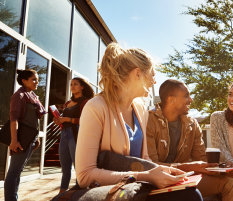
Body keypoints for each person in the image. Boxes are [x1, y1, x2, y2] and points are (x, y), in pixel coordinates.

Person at [75, 43, 202, 201]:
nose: (154, 82)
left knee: (191, 194)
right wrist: (146, 176)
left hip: (137, 187)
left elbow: (144, 160)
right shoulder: (95, 108)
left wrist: (164, 170)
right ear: (137, 74)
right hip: (114, 192)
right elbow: (85, 176)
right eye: (152, 75)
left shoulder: (141, 109)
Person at [146, 79, 233, 201]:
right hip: (157, 184)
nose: (191, 100)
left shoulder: (192, 124)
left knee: (230, 180)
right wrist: (189, 167)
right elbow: (150, 165)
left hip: (183, 180)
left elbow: (201, 160)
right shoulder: (149, 121)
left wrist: (223, 169)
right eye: (186, 96)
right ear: (171, 99)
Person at [5, 69, 46, 201]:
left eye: (37, 80)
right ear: (24, 80)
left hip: (31, 139)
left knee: (18, 171)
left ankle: (13, 198)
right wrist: (14, 141)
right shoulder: (19, 95)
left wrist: (37, 137)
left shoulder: (32, 95)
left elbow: (35, 120)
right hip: (21, 139)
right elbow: (14, 119)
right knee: (13, 172)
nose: (37, 82)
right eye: (33, 79)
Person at [53, 77, 94, 194]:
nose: (72, 87)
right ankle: (62, 192)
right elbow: (63, 119)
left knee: (78, 166)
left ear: (82, 87)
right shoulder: (67, 103)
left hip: (76, 134)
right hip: (64, 134)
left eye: (75, 84)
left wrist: (68, 119)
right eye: (71, 84)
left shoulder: (86, 102)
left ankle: (79, 192)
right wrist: (59, 120)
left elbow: (86, 120)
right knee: (65, 167)